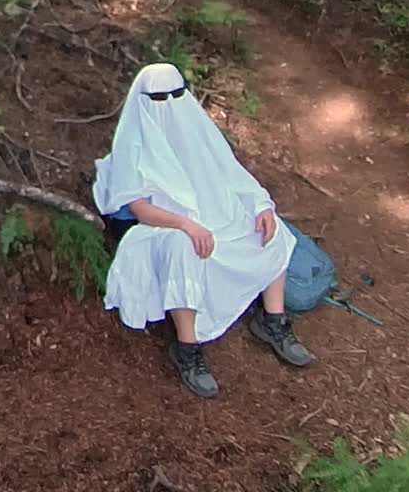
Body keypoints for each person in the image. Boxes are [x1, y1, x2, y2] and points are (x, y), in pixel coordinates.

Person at [93, 63, 312, 398]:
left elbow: (232, 174)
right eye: (160, 98)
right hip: (163, 228)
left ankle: (273, 320)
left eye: (176, 95)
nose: (170, 105)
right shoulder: (133, 144)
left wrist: (261, 206)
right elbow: (137, 207)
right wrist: (184, 224)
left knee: (271, 231)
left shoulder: (195, 130)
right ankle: (187, 348)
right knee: (185, 249)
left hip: (214, 217)